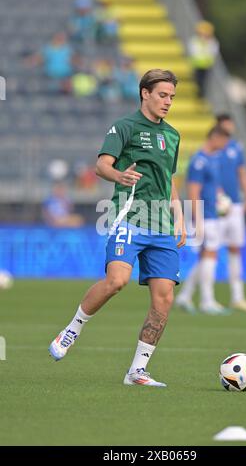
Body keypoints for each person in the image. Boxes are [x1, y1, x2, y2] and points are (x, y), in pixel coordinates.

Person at [48, 69, 186, 387]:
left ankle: (137, 371)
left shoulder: (173, 135)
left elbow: (169, 180)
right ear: (145, 94)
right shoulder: (124, 127)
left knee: (164, 299)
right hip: (130, 218)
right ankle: (72, 329)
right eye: (163, 95)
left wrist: (179, 216)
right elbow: (102, 166)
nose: (168, 102)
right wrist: (119, 176)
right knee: (117, 280)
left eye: (172, 97)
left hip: (161, 226)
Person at [175, 125, 231, 315]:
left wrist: (222, 199)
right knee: (210, 255)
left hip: (212, 214)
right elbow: (193, 191)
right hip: (204, 216)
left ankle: (185, 295)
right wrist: (197, 219)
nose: (224, 146)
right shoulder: (199, 161)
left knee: (206, 257)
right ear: (214, 137)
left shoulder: (212, 159)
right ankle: (207, 300)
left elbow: (214, 186)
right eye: (223, 140)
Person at [216, 113, 246, 312]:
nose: (229, 128)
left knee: (234, 249)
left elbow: (242, 172)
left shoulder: (235, 148)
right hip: (216, 206)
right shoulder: (214, 148)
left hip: (234, 205)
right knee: (210, 251)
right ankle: (192, 295)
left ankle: (237, 296)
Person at [187, 20, 219, 98]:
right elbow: (192, 51)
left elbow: (214, 52)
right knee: (198, 79)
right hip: (197, 64)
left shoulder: (212, 42)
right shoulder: (195, 40)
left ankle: (201, 93)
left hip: (206, 64)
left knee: (203, 81)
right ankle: (199, 92)